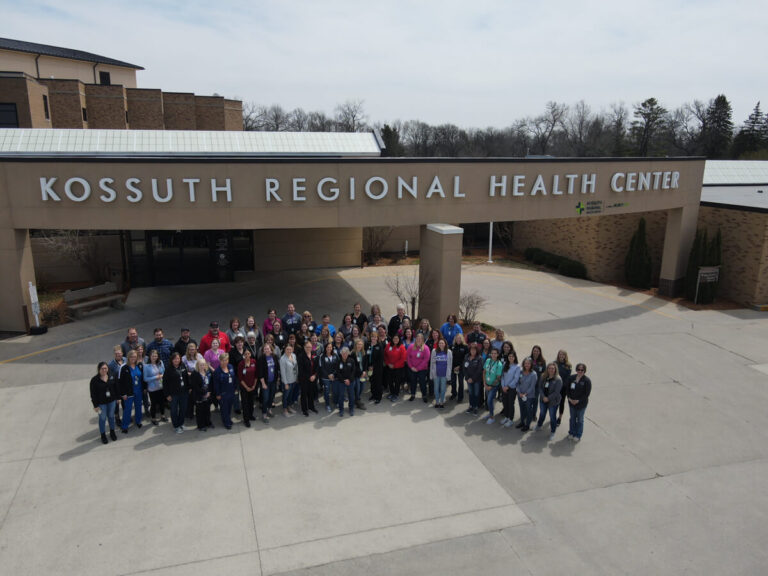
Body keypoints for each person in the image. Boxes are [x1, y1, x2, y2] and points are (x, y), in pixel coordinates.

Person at [90, 361, 118, 444]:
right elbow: (93, 394)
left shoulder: (111, 376)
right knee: (102, 419)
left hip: (112, 401)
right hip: (101, 404)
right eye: (102, 368)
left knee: (111, 417)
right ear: (99, 369)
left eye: (105, 368)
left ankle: (112, 432)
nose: (104, 370)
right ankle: (103, 435)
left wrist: (118, 398)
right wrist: (95, 405)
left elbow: (116, 387)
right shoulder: (94, 380)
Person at [535, 363, 563, 440]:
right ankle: (539, 425)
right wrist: (543, 397)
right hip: (543, 399)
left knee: (552, 417)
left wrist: (548, 398)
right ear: (547, 369)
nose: (551, 370)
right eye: (549, 368)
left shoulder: (558, 379)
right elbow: (540, 387)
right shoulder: (543, 376)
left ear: (555, 369)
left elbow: (556, 392)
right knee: (542, 413)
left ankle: (553, 432)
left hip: (553, 402)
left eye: (552, 368)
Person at [163, 352, 190, 434]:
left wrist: (188, 388)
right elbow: (165, 383)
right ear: (172, 360)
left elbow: (186, 378)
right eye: (175, 359)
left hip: (184, 392)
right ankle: (176, 426)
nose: (177, 360)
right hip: (173, 394)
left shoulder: (183, 366)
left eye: (178, 358)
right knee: (174, 410)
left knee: (183, 409)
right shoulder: (168, 369)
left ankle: (181, 423)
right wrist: (167, 395)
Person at [118, 349, 144, 433]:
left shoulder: (139, 365)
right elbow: (120, 382)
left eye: (135, 357)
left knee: (138, 407)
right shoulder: (124, 367)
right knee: (127, 409)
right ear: (128, 357)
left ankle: (138, 421)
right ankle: (125, 426)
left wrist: (144, 389)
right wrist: (123, 394)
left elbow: (142, 379)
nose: (133, 358)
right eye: (131, 356)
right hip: (129, 393)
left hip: (138, 390)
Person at [566, 363, 591, 442]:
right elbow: (567, 389)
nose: (580, 371)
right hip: (571, 403)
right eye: (578, 369)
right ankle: (572, 432)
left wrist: (578, 400)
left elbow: (586, 394)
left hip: (581, 404)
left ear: (584, 371)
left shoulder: (587, 381)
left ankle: (578, 435)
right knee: (572, 419)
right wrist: (569, 398)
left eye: (582, 370)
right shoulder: (571, 378)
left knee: (580, 420)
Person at [213, 353, 236, 430]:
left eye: (226, 360)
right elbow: (216, 384)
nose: (225, 362)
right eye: (223, 360)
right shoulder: (217, 371)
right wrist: (218, 394)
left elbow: (234, 378)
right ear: (220, 361)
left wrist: (235, 388)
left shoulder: (230, 367)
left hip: (231, 392)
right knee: (224, 409)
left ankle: (228, 419)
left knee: (229, 408)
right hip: (223, 393)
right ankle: (226, 423)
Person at [258, 343, 280, 423]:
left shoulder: (274, 357)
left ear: (271, 349)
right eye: (265, 349)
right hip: (265, 382)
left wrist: (277, 379)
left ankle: (269, 410)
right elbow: (260, 372)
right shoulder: (261, 359)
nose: (267, 350)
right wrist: (263, 384)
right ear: (263, 350)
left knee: (271, 397)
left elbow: (277, 368)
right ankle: (264, 414)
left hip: (273, 381)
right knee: (265, 399)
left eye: (268, 348)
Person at [143, 349, 166, 425]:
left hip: (161, 386)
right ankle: (153, 418)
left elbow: (164, 372)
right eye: (153, 356)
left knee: (162, 402)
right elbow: (145, 378)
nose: (154, 357)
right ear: (150, 356)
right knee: (154, 404)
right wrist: (155, 377)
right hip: (153, 388)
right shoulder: (146, 366)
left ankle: (163, 415)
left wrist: (162, 375)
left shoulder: (160, 363)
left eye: (156, 356)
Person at [406, 332, 430, 402]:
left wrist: (418, 368)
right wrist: (411, 367)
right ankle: (413, 394)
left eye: (420, 338)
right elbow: (408, 358)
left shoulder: (426, 348)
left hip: (422, 369)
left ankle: (424, 395)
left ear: (423, 339)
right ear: (415, 339)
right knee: (413, 382)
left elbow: (426, 359)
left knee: (422, 383)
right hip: (412, 369)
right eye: (417, 338)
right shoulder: (411, 346)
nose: (419, 340)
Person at [429, 337, 453, 408]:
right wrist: (431, 374)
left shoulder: (449, 352)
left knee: (443, 389)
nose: (441, 344)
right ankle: (437, 402)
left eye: (442, 343)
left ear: (445, 344)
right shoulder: (434, 351)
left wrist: (449, 374)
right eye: (440, 343)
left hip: (444, 374)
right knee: (436, 388)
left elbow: (450, 364)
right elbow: (432, 363)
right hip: (436, 373)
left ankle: (442, 402)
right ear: (438, 344)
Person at [191, 359, 213, 431]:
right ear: (197, 365)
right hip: (199, 396)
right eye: (200, 365)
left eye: (203, 364)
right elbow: (195, 387)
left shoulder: (207, 372)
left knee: (207, 410)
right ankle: (201, 426)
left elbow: (210, 383)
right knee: (200, 412)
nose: (202, 366)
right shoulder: (195, 374)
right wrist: (204, 393)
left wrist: (209, 392)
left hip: (207, 395)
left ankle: (208, 423)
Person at [384, 333, 407, 401]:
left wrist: (394, 365)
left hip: (398, 368)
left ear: (399, 339)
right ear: (392, 339)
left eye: (397, 338)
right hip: (389, 367)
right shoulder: (388, 345)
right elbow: (385, 355)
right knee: (390, 381)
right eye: (394, 338)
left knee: (397, 382)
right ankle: (392, 393)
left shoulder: (402, 347)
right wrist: (388, 363)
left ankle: (396, 394)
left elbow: (403, 358)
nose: (395, 340)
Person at [483, 348, 503, 424]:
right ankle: (490, 413)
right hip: (486, 384)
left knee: (489, 400)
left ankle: (492, 417)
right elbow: (484, 372)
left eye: (495, 353)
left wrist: (490, 386)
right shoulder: (488, 361)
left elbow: (498, 378)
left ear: (498, 354)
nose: (493, 355)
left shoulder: (499, 364)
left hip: (493, 386)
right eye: (492, 353)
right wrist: (484, 383)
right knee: (489, 400)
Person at [238, 348, 257, 427]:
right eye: (245, 354)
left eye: (248, 353)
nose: (247, 355)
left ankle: (250, 415)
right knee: (245, 403)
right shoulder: (241, 364)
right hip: (244, 388)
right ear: (243, 355)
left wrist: (254, 386)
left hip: (252, 386)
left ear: (250, 354)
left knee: (251, 402)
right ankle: (246, 420)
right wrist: (246, 387)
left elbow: (256, 375)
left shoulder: (254, 362)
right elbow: (240, 378)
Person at [298, 340, 318, 416]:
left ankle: (311, 407)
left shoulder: (314, 354)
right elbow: (301, 370)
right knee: (304, 395)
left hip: (313, 378)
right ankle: (304, 409)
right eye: (307, 347)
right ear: (304, 347)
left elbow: (316, 366)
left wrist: (315, 375)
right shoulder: (301, 356)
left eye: (310, 347)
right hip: (304, 379)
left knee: (311, 393)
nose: (308, 348)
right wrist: (309, 377)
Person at [517, 357, 537, 432]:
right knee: (522, 409)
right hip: (520, 395)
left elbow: (532, 386)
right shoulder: (520, 372)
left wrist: (525, 394)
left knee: (528, 410)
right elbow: (517, 383)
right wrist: (519, 392)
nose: (527, 365)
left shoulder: (533, 374)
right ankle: (522, 422)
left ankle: (527, 425)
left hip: (529, 396)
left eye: (528, 363)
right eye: (525, 363)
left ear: (531, 364)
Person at [335, 346, 357, 416]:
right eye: (343, 353)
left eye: (346, 353)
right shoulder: (338, 362)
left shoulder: (352, 361)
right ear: (341, 354)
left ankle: (351, 408)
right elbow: (338, 372)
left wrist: (349, 380)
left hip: (350, 381)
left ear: (348, 354)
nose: (344, 355)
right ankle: (341, 410)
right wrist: (344, 380)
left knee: (351, 396)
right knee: (341, 396)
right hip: (341, 381)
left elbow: (353, 371)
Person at [463, 343, 484, 415]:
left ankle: (476, 407)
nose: (473, 351)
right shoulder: (466, 356)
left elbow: (479, 370)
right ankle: (471, 406)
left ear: (476, 350)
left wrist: (472, 378)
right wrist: (467, 378)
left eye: (474, 350)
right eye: (471, 349)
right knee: (471, 393)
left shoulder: (479, 358)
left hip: (476, 380)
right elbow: (464, 368)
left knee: (476, 394)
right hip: (468, 379)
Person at [280, 344, 299, 417]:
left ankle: (289, 407)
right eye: (287, 349)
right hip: (287, 381)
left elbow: (296, 367)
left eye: (290, 349)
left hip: (293, 380)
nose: (289, 351)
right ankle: (285, 410)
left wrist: (297, 377)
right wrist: (285, 383)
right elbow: (283, 372)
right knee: (285, 396)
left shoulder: (293, 355)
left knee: (290, 395)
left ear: (292, 349)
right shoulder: (282, 359)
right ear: (285, 350)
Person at [318, 341, 338, 412]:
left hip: (334, 377)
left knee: (335, 391)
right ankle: (327, 405)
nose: (329, 348)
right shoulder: (322, 356)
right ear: (325, 348)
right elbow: (321, 368)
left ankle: (335, 402)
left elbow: (337, 366)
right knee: (326, 392)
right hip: (325, 377)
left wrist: (333, 374)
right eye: (328, 347)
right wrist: (328, 375)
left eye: (330, 347)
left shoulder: (335, 355)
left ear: (332, 348)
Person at [107, 345, 126, 421]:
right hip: (116, 387)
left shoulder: (126, 360)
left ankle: (126, 416)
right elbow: (110, 378)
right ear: (114, 355)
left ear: (122, 353)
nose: (118, 355)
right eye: (116, 354)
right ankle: (117, 418)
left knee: (125, 404)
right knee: (116, 405)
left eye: (119, 353)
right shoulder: (111, 365)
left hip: (125, 386)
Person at [367, 330, 385, 404]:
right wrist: (368, 366)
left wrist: (373, 367)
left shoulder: (379, 346)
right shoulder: (368, 345)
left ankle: (378, 397)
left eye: (375, 337)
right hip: (369, 368)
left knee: (378, 383)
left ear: (377, 338)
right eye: (372, 337)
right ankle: (373, 395)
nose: (373, 338)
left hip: (377, 368)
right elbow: (366, 357)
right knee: (372, 381)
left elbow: (380, 359)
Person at [555, 349, 572, 426]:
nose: (561, 356)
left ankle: (560, 417)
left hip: (563, 388)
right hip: (554, 387)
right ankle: (553, 416)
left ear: (565, 356)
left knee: (561, 403)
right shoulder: (555, 363)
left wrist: (561, 386)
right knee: (554, 402)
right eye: (560, 354)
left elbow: (567, 378)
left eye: (563, 354)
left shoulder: (568, 365)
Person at [351, 338, 368, 410]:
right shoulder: (353, 353)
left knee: (362, 387)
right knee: (357, 388)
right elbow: (353, 366)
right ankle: (357, 401)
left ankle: (357, 399)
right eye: (358, 344)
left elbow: (365, 363)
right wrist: (361, 373)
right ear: (355, 345)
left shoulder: (363, 353)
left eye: (361, 344)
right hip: (356, 374)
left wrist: (364, 371)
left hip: (363, 374)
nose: (359, 346)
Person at [451, 333, 468, 402]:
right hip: (453, 367)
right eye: (457, 338)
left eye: (460, 338)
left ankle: (460, 397)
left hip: (461, 368)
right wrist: (453, 367)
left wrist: (459, 366)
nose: (458, 339)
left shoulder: (465, 347)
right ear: (455, 339)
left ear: (462, 339)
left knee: (461, 382)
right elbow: (450, 357)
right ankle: (454, 394)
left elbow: (466, 359)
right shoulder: (452, 346)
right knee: (453, 382)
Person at [530, 345, 546, 419]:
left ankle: (533, 414)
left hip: (537, 385)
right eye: (534, 351)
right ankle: (527, 412)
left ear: (540, 352)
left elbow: (544, 373)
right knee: (529, 399)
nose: (535, 352)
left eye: (537, 351)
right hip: (529, 384)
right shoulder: (529, 359)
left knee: (535, 400)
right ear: (532, 351)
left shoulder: (543, 361)